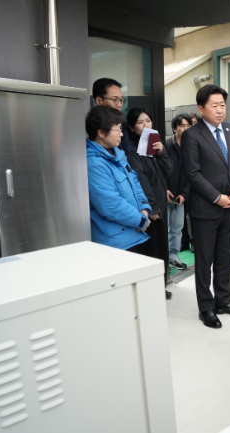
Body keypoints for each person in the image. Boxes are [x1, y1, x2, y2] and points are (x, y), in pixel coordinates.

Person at [181, 85, 230, 329]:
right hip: (205, 210)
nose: (220, 110)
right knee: (204, 261)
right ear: (201, 109)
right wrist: (217, 197)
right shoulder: (192, 135)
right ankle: (206, 308)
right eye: (214, 106)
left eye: (222, 105)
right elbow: (193, 173)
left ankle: (223, 300)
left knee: (223, 258)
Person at [85, 105, 152, 252]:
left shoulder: (118, 154)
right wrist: (140, 220)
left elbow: (135, 182)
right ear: (101, 132)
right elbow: (111, 204)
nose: (121, 134)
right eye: (118, 129)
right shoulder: (94, 163)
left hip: (132, 232)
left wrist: (144, 209)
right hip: (115, 242)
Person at [124, 107, 174, 299]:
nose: (145, 125)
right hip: (149, 209)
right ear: (131, 127)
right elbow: (141, 179)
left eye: (148, 120)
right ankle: (151, 291)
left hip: (160, 205)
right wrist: (152, 207)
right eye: (140, 122)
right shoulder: (132, 150)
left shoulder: (153, 146)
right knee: (150, 251)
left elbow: (168, 171)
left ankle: (160, 287)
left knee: (162, 249)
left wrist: (162, 153)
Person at [164, 114, 192, 271]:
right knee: (164, 229)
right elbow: (158, 171)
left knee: (177, 228)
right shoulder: (166, 145)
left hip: (179, 196)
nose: (186, 129)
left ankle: (173, 256)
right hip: (165, 194)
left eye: (188, 126)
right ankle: (163, 258)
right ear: (174, 128)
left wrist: (184, 194)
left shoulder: (191, 148)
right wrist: (164, 189)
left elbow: (192, 174)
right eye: (182, 126)